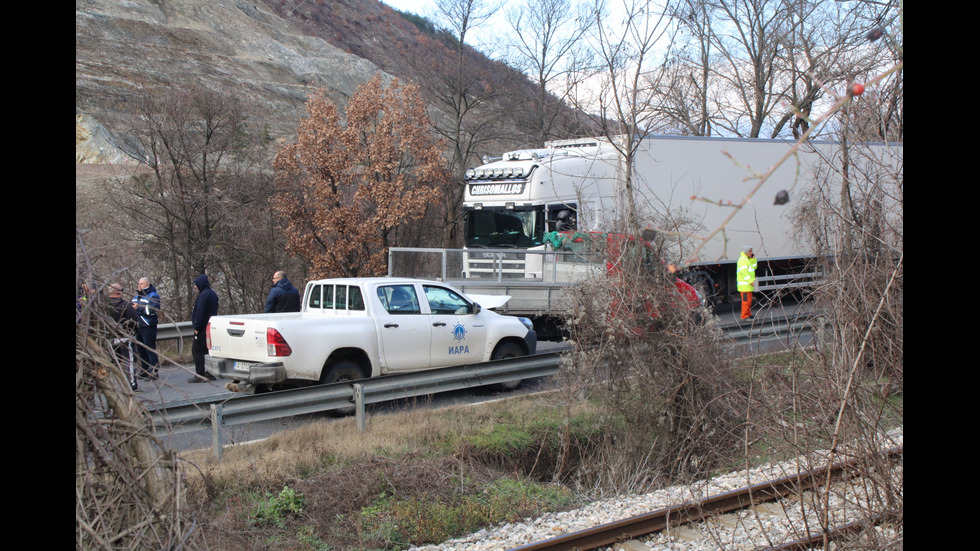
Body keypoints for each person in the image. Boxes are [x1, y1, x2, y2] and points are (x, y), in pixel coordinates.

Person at [105, 282, 141, 391]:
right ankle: (132, 384)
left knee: (112, 362)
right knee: (128, 361)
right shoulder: (125, 305)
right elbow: (134, 321)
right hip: (124, 337)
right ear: (118, 292)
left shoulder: (104, 306)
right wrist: (132, 333)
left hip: (110, 338)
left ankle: (112, 384)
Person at [189, 274, 219, 383]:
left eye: (196, 285)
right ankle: (210, 373)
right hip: (210, 326)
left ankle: (200, 374)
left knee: (197, 351)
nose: (195, 287)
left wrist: (197, 326)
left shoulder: (203, 296)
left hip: (202, 328)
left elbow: (200, 312)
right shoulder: (212, 294)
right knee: (208, 351)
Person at [131, 277, 161, 380]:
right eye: (139, 284)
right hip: (138, 327)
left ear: (147, 284)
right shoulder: (135, 297)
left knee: (150, 349)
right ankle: (145, 370)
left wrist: (138, 308)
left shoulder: (153, 296)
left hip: (148, 326)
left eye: (142, 284)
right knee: (141, 350)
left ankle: (153, 372)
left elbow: (152, 310)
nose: (140, 286)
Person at [737, 245, 758, 320]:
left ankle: (748, 314)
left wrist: (753, 259)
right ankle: (744, 316)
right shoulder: (743, 260)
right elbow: (744, 272)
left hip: (747, 286)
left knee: (748, 301)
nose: (751, 252)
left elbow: (754, 267)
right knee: (746, 301)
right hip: (745, 286)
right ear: (746, 252)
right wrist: (750, 281)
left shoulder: (747, 260)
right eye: (750, 251)